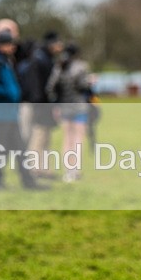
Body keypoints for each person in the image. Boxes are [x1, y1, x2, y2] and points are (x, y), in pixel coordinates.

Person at [0, 22, 47, 191]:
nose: (13, 48)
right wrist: (7, 94)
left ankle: (28, 182)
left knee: (19, 150)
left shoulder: (5, 61)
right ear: (2, 45)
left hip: (10, 113)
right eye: (10, 45)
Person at [46, 44, 92, 182]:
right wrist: (90, 82)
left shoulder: (58, 67)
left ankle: (67, 171)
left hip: (64, 107)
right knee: (78, 139)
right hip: (79, 107)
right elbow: (83, 85)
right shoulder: (81, 67)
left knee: (67, 139)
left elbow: (50, 87)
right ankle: (75, 170)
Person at [22, 31, 64, 180]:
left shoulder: (46, 58)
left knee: (45, 136)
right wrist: (39, 103)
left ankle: (44, 169)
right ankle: (35, 168)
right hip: (40, 104)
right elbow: (36, 85)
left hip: (46, 103)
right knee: (38, 135)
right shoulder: (39, 59)